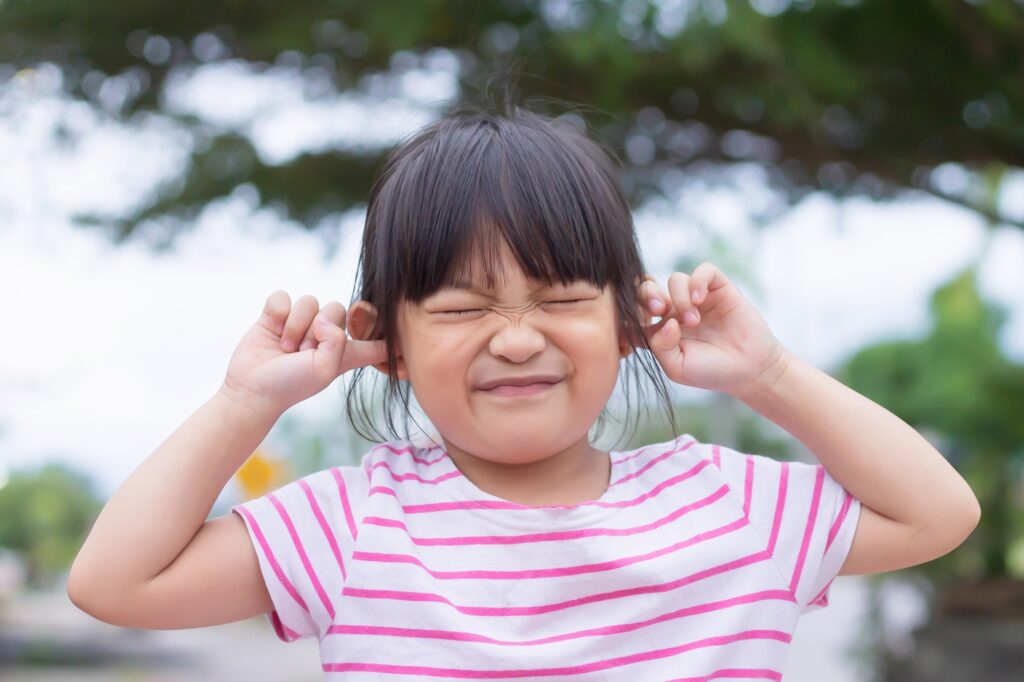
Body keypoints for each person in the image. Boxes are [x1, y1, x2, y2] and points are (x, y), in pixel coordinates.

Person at [68, 100, 980, 679]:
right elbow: (115, 584)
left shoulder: (722, 502)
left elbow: (936, 513)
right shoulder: (354, 526)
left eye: (561, 299)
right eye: (463, 309)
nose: (515, 338)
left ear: (629, 322)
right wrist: (247, 402)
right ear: (387, 342)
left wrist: (768, 375)